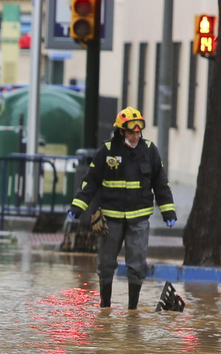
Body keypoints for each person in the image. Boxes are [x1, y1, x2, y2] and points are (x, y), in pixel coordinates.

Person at [69, 107, 176, 309]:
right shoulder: (107, 151)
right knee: (106, 264)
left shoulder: (149, 150)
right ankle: (105, 307)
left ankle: (132, 311)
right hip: (111, 218)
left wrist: (168, 211)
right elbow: (90, 182)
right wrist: (77, 206)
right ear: (120, 131)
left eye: (138, 132)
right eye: (130, 132)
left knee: (136, 266)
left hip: (139, 219)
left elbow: (161, 184)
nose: (135, 136)